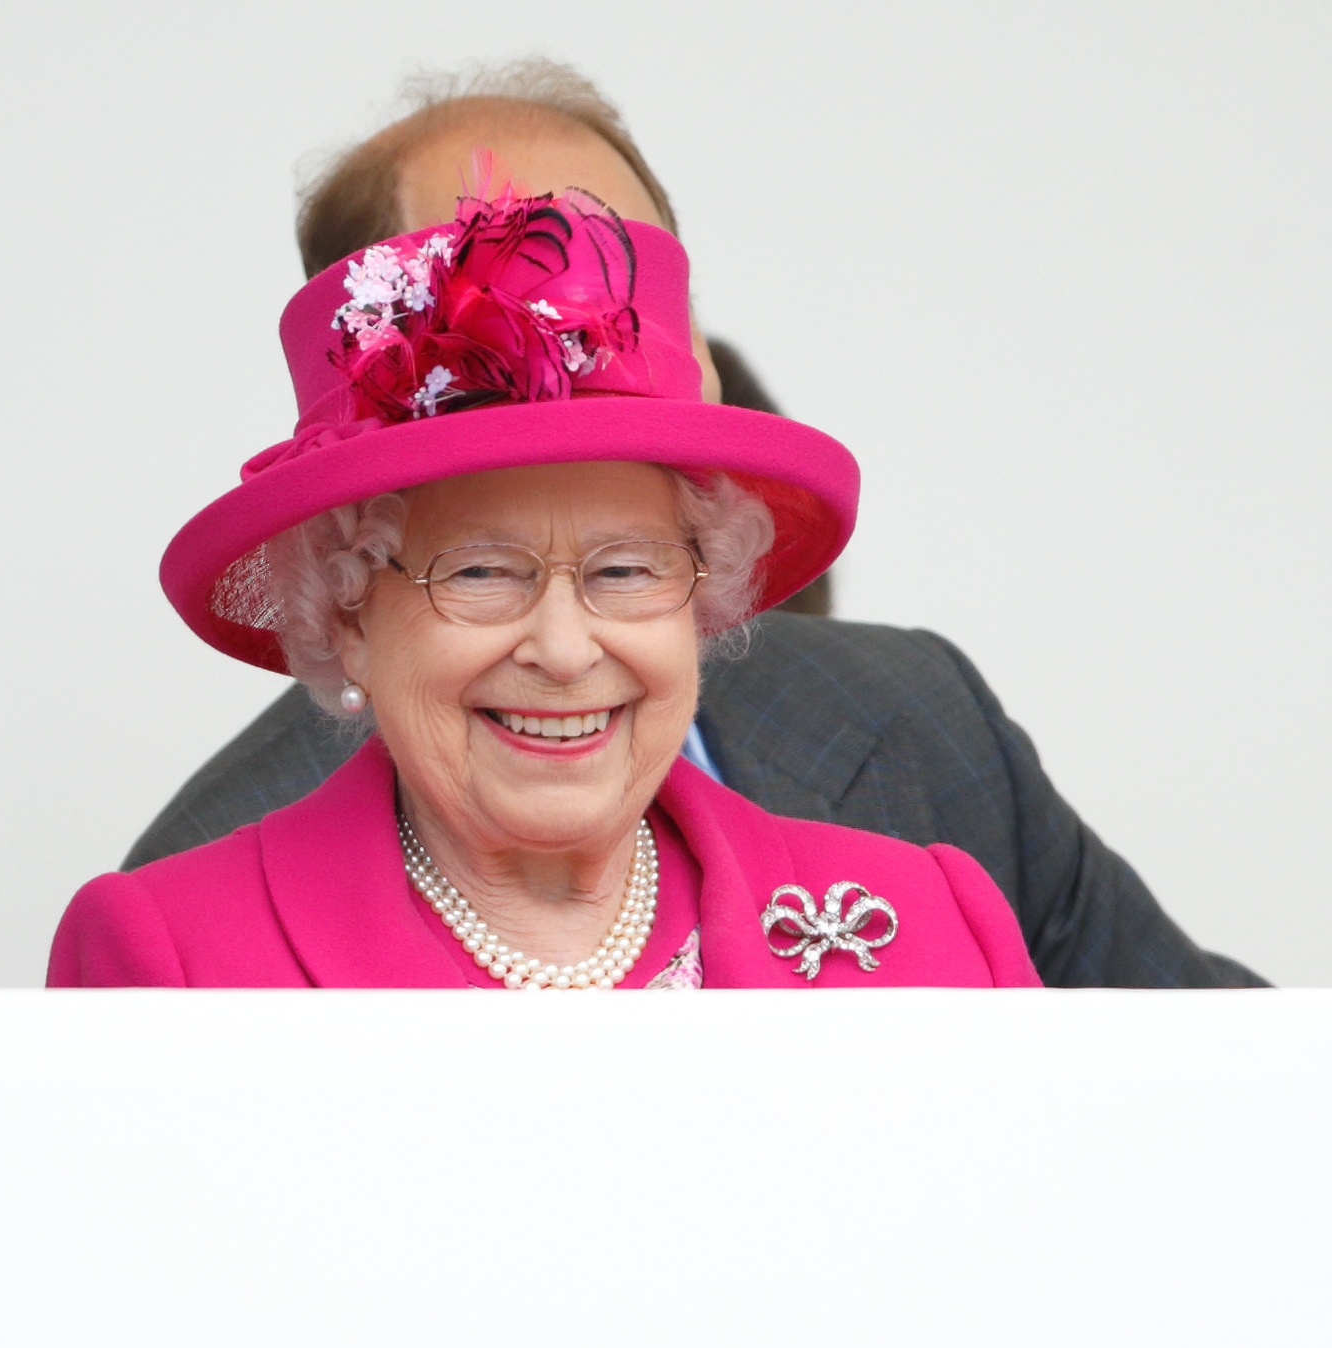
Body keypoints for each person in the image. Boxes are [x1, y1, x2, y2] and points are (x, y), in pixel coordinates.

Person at [125, 61, 1259, 988]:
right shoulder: (188, 928)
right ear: (347, 583)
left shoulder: (921, 749)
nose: (583, 337)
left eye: (628, 282)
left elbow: (1209, 1092)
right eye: (478, 570)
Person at [53, 180, 1037, 988]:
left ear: (701, 595)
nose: (566, 650)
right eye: (480, 571)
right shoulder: (170, 957)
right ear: (348, 610)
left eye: (625, 571)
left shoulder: (933, 922)